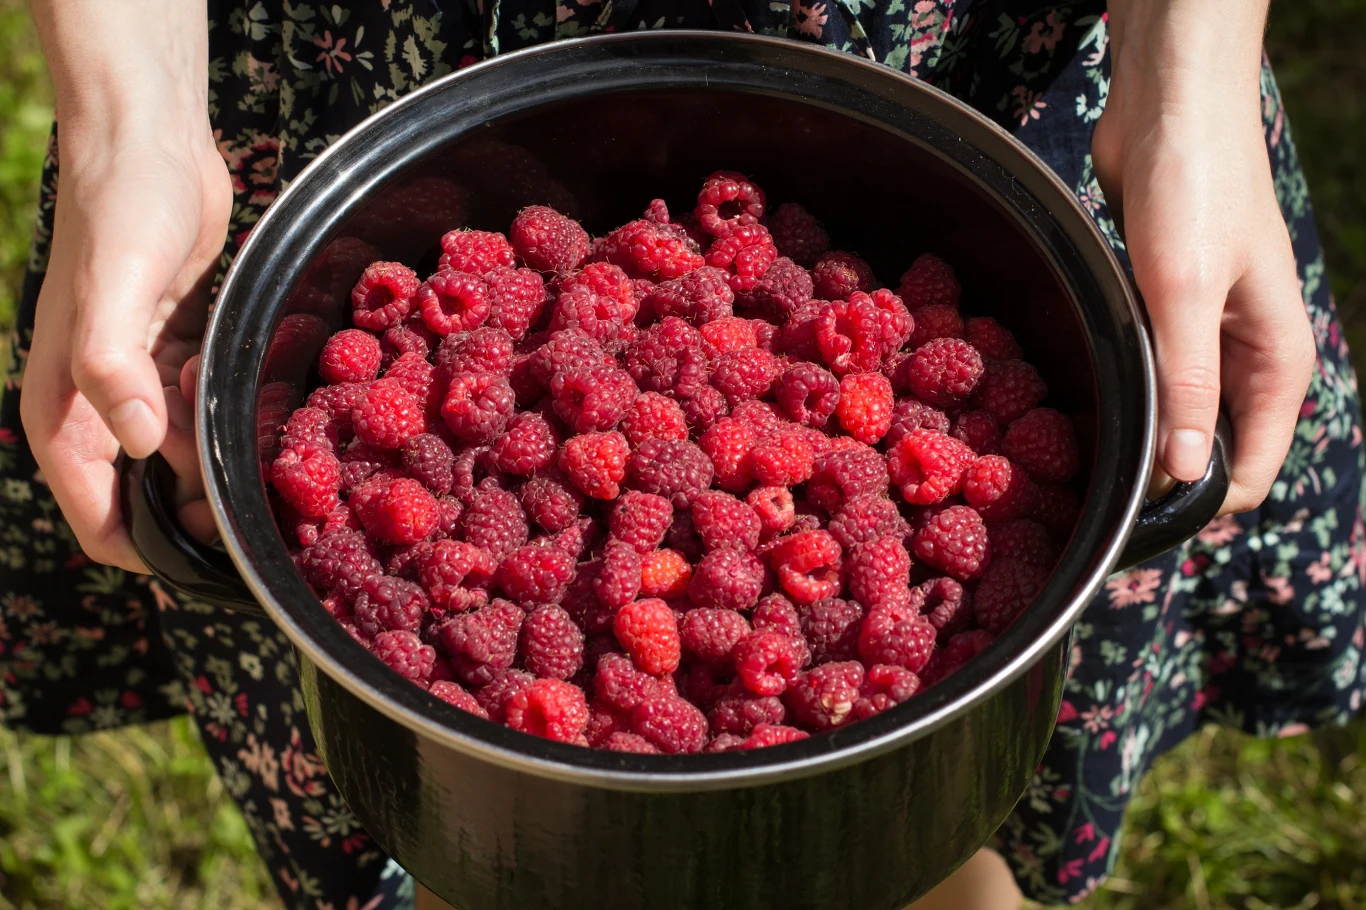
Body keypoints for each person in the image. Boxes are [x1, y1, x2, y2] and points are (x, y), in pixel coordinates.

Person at [3, 0, 1360, 907]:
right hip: (337, 63)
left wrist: (1185, 89)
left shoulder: (887, 501)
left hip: (944, 46)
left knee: (914, 842)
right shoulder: (508, 443)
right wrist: (131, 119)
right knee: (488, 860)